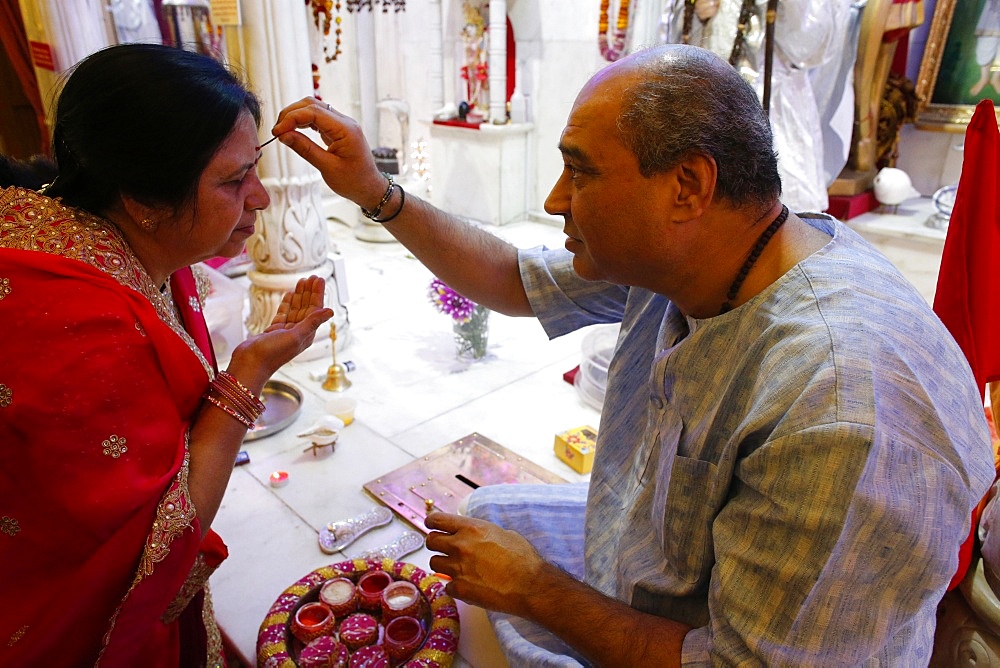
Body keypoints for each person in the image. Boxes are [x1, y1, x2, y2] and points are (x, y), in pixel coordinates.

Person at [271, 44, 995, 665]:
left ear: (687, 186)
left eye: (579, 172)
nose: (554, 200)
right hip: (661, 558)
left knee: (505, 597)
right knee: (488, 513)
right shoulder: (713, 250)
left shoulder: (843, 416)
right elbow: (511, 281)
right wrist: (375, 192)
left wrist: (536, 591)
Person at [0, 44, 333, 667]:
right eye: (234, 181)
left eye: (252, 168)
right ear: (144, 200)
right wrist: (249, 372)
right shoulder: (79, 334)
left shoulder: (105, 234)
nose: (260, 199)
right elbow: (161, 552)